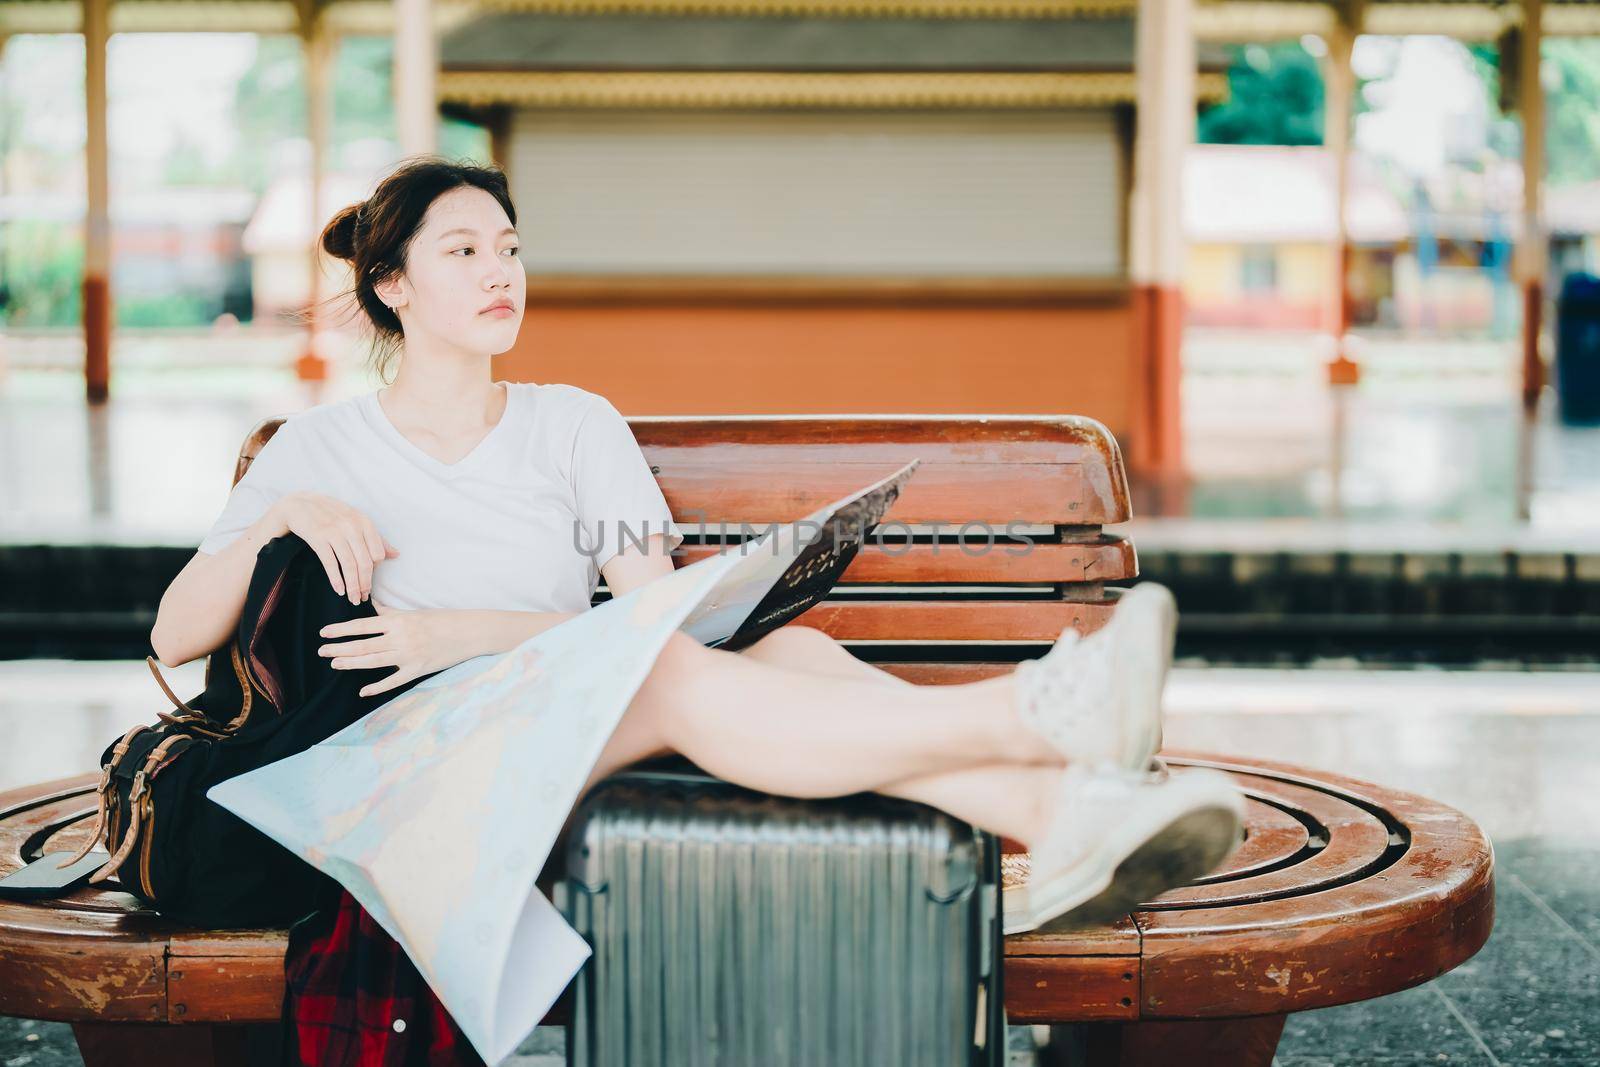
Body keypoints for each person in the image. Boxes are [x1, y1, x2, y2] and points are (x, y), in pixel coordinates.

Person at [150, 156, 1245, 954]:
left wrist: (485, 632)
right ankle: (1043, 726)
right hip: (399, 765)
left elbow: (643, 615)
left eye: (512, 248)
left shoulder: (573, 422)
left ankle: (1058, 817)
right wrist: (278, 516)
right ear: (392, 283)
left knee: (796, 655)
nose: (502, 273)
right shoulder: (321, 444)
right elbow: (174, 634)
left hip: (558, 718)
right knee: (686, 673)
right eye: (465, 251)